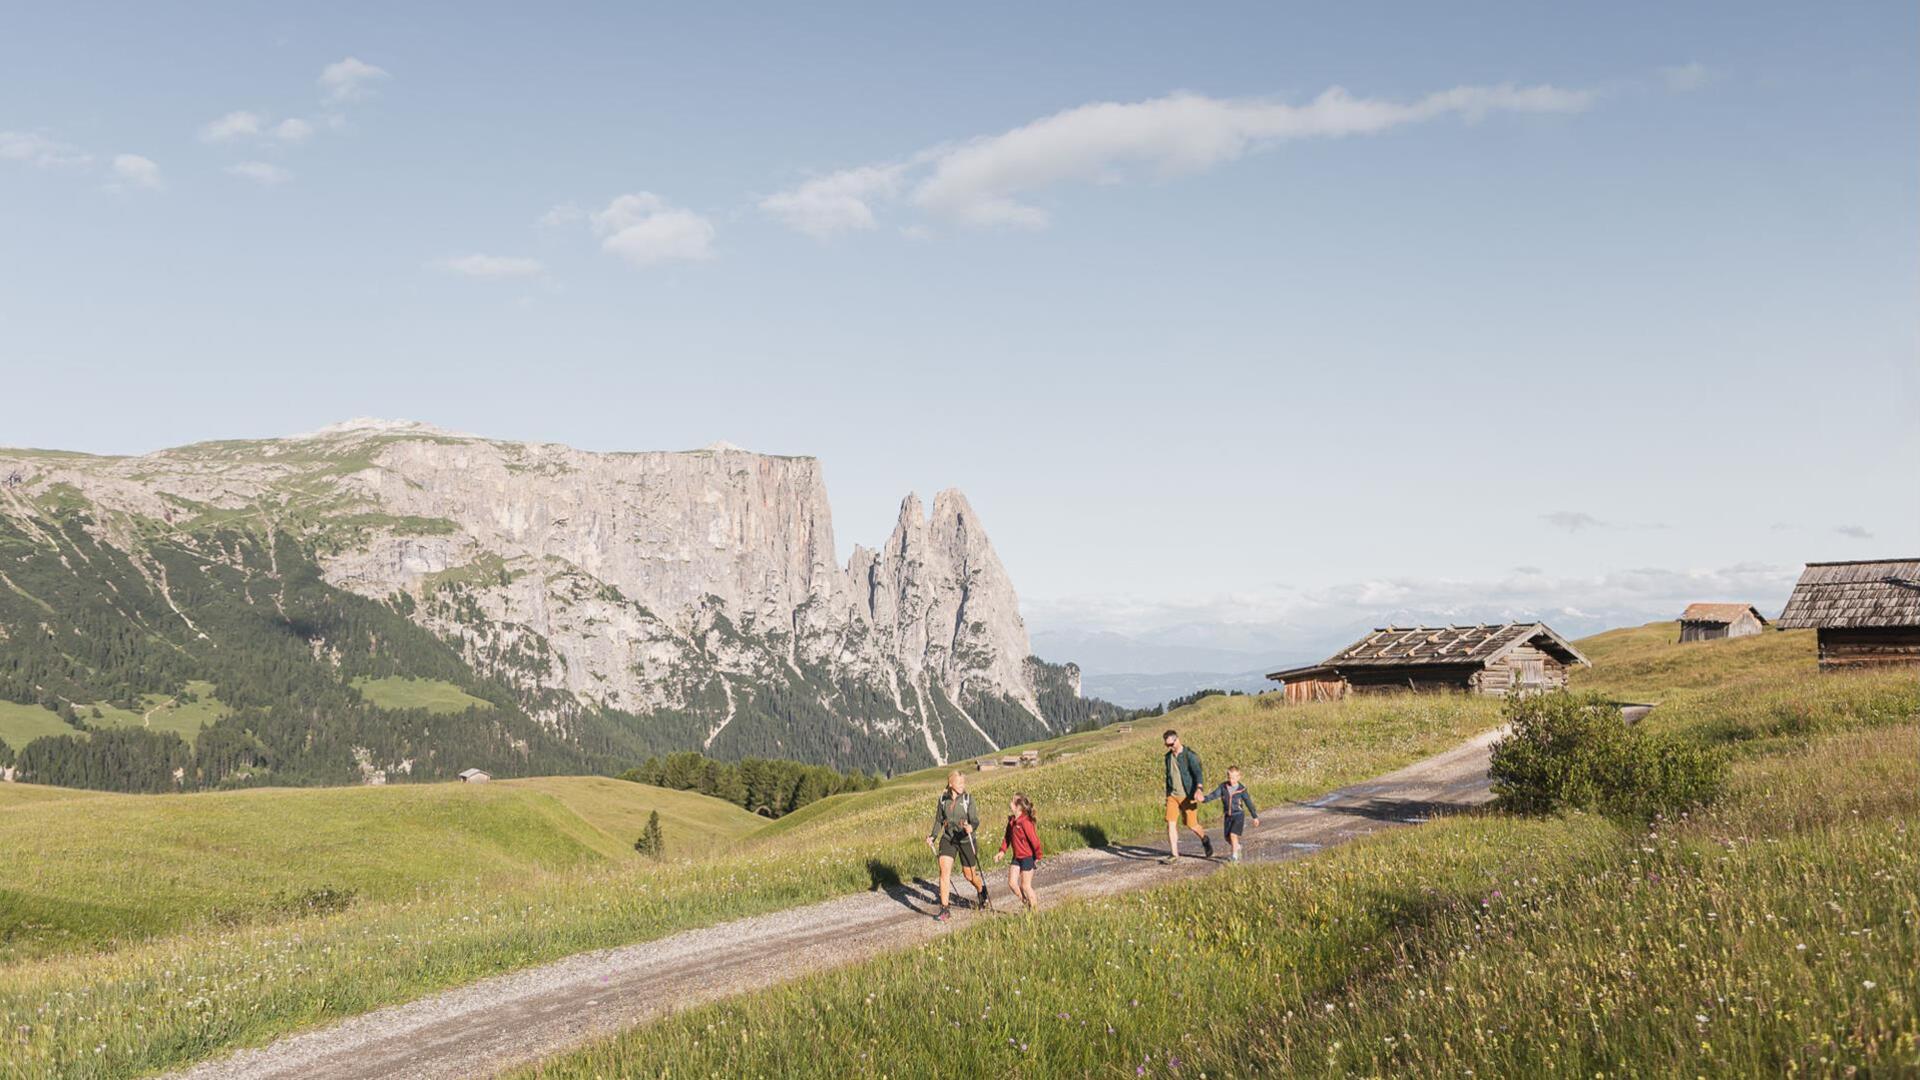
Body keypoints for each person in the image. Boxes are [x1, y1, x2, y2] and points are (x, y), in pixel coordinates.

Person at [925, 770, 990, 920]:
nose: (963, 785)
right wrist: (933, 836)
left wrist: (971, 827)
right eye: (959, 782)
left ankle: (981, 890)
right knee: (944, 871)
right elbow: (939, 821)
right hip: (949, 839)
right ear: (950, 783)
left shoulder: (968, 799)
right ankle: (945, 909)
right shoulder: (943, 799)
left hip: (966, 840)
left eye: (963, 782)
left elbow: (975, 820)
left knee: (969, 875)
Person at [1161, 729, 1213, 863]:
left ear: (1177, 740)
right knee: (1170, 823)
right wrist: (1167, 794)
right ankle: (1174, 854)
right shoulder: (1168, 758)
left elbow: (1198, 774)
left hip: (1187, 795)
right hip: (1172, 795)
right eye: (1167, 745)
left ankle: (1204, 839)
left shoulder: (1189, 755)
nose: (1170, 747)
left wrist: (1199, 789)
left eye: (1171, 744)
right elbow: (1169, 776)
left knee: (1192, 825)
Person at [993, 792, 1043, 912]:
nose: (1010, 802)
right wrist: (1002, 852)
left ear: (1018, 806)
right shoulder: (1012, 822)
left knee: (1025, 886)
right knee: (1012, 883)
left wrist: (1037, 856)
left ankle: (1035, 913)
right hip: (1017, 857)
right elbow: (1007, 838)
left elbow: (1035, 841)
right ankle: (1026, 903)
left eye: (1012, 801)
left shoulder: (1025, 822)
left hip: (1027, 857)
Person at [1200, 765, 1261, 862]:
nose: (1231, 780)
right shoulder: (1223, 787)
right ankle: (1237, 847)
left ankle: (1234, 857)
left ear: (1239, 777)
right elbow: (1214, 795)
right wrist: (1204, 799)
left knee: (1233, 835)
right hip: (1228, 816)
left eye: (1234, 778)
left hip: (1238, 815)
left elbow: (1248, 802)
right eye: (1229, 777)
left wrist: (1255, 816)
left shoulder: (1242, 789)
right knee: (1227, 838)